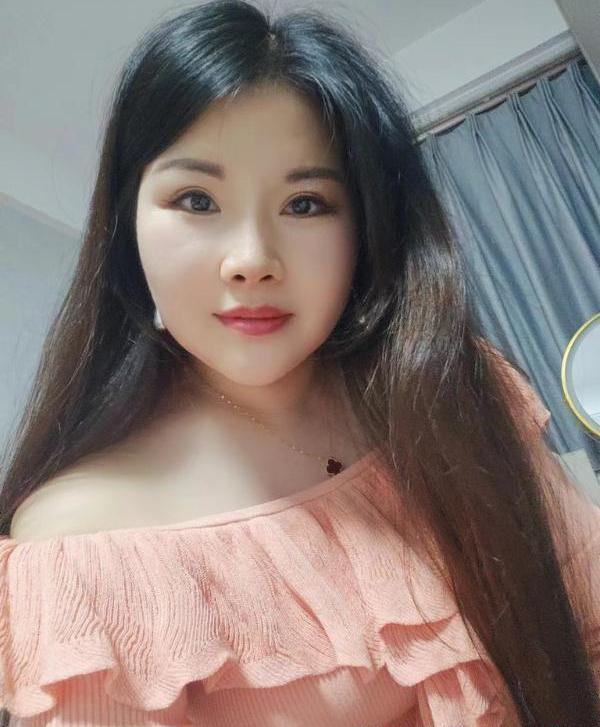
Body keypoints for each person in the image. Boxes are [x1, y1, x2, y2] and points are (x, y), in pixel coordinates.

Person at [0, 1, 599, 725]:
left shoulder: (456, 388)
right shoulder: (84, 539)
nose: (252, 259)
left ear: (367, 227)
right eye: (196, 199)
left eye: (307, 204)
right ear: (127, 227)